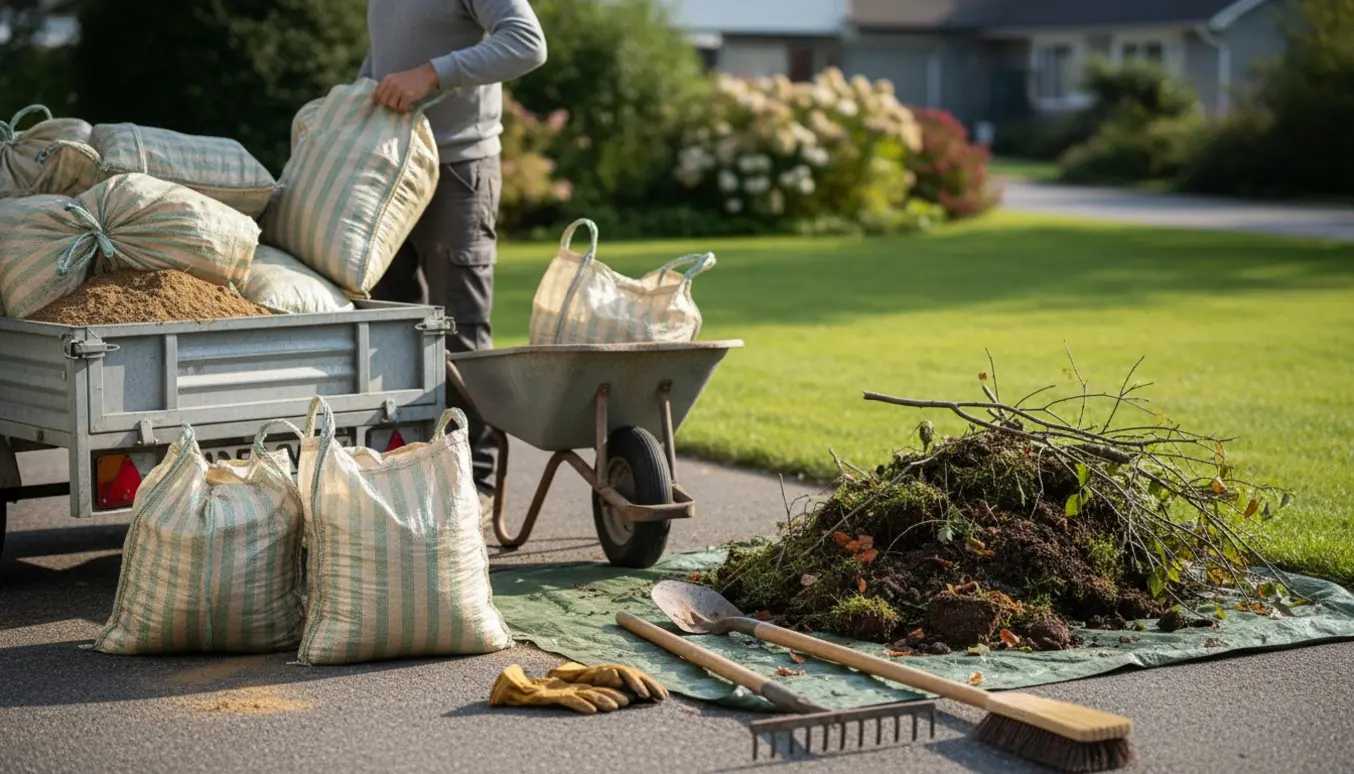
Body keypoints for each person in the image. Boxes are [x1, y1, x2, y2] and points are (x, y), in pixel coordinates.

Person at [358, 0, 547, 525]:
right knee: (389, 330)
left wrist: (433, 74)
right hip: (392, 167)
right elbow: (387, 57)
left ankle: (476, 485)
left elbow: (528, 43)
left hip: (459, 171)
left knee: (459, 330)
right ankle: (406, 475)